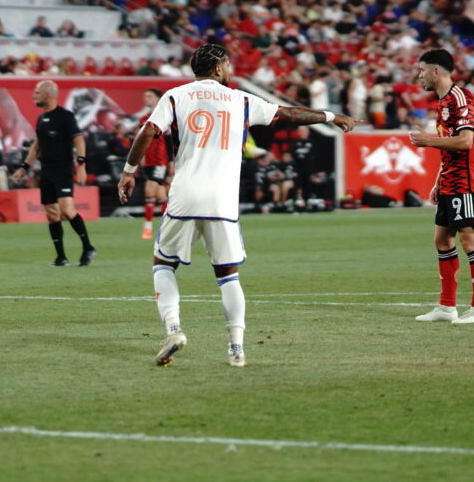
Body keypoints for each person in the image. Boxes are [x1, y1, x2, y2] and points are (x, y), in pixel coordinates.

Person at [117, 43, 357, 367]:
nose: (230, 70)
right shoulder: (240, 100)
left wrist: (129, 172)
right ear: (218, 68)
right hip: (222, 201)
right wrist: (330, 116)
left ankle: (174, 329)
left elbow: (149, 131)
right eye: (228, 65)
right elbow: (286, 115)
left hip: (185, 195)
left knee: (163, 264)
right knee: (228, 276)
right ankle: (236, 348)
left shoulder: (176, 95)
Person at [408, 48, 474, 325]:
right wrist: (438, 180)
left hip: (465, 179)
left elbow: (465, 142)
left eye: (422, 70)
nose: (419, 76)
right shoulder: (441, 103)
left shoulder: (460, 98)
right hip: (450, 178)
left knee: (470, 240)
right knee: (442, 240)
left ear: (436, 71)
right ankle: (446, 307)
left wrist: (428, 141)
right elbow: (449, 146)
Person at [11, 81, 96, 266]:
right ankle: (61, 257)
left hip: (63, 169)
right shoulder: (41, 119)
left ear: (48, 95)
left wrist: (81, 165)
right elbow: (37, 146)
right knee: (51, 214)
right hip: (46, 170)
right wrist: (24, 167)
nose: (34, 95)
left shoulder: (65, 116)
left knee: (66, 210)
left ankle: (88, 247)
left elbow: (79, 140)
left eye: (37, 92)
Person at [137, 88, 170, 240]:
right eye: (145, 95)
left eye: (149, 96)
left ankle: (147, 228)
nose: (146, 98)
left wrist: (171, 161)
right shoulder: (143, 118)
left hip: (160, 160)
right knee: (160, 194)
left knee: (149, 189)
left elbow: (170, 141)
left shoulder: (164, 116)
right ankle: (169, 225)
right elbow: (141, 140)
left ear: (158, 99)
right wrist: (140, 157)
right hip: (148, 160)